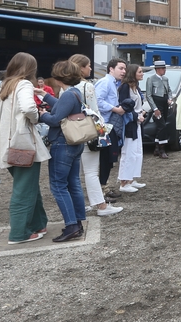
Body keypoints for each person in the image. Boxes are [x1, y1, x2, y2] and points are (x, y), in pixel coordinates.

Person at [0, 53, 51, 244]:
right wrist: (36, 118)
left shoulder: (3, 85)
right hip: (22, 144)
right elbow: (28, 108)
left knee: (29, 186)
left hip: (6, 145)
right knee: (24, 189)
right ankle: (19, 232)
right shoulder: (23, 84)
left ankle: (38, 223)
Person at [38, 61, 88, 242]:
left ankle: (71, 225)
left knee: (59, 186)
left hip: (62, 143)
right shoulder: (74, 93)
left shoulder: (68, 94)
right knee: (73, 183)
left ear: (59, 77)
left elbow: (55, 119)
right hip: (74, 144)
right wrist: (45, 95)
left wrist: (43, 115)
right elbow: (62, 106)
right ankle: (78, 222)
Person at [70, 54, 122, 217]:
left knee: (75, 172)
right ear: (81, 68)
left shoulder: (67, 86)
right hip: (89, 131)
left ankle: (82, 204)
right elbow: (95, 112)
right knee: (92, 171)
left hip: (72, 132)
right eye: (89, 65)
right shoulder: (87, 86)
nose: (91, 68)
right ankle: (101, 205)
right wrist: (102, 133)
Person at [94, 58, 127, 198]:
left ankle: (104, 186)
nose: (124, 71)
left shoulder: (113, 83)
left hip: (109, 125)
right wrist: (115, 109)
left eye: (125, 69)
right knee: (105, 157)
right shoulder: (105, 82)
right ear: (111, 69)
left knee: (109, 158)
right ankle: (101, 189)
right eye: (121, 68)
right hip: (103, 126)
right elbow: (98, 101)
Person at [117, 64, 147, 192]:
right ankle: (124, 182)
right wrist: (136, 116)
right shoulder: (125, 87)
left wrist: (142, 113)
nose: (142, 74)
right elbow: (124, 106)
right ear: (133, 73)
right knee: (128, 151)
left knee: (137, 151)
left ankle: (131, 178)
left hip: (137, 122)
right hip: (130, 123)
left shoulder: (136, 87)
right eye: (140, 71)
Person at [145, 60, 173, 159]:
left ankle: (156, 148)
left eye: (164, 68)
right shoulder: (150, 79)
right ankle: (162, 149)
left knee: (161, 126)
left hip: (164, 103)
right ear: (157, 69)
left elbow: (169, 90)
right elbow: (148, 95)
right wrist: (155, 108)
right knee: (162, 126)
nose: (164, 70)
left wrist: (169, 98)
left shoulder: (165, 79)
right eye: (162, 68)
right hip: (157, 103)